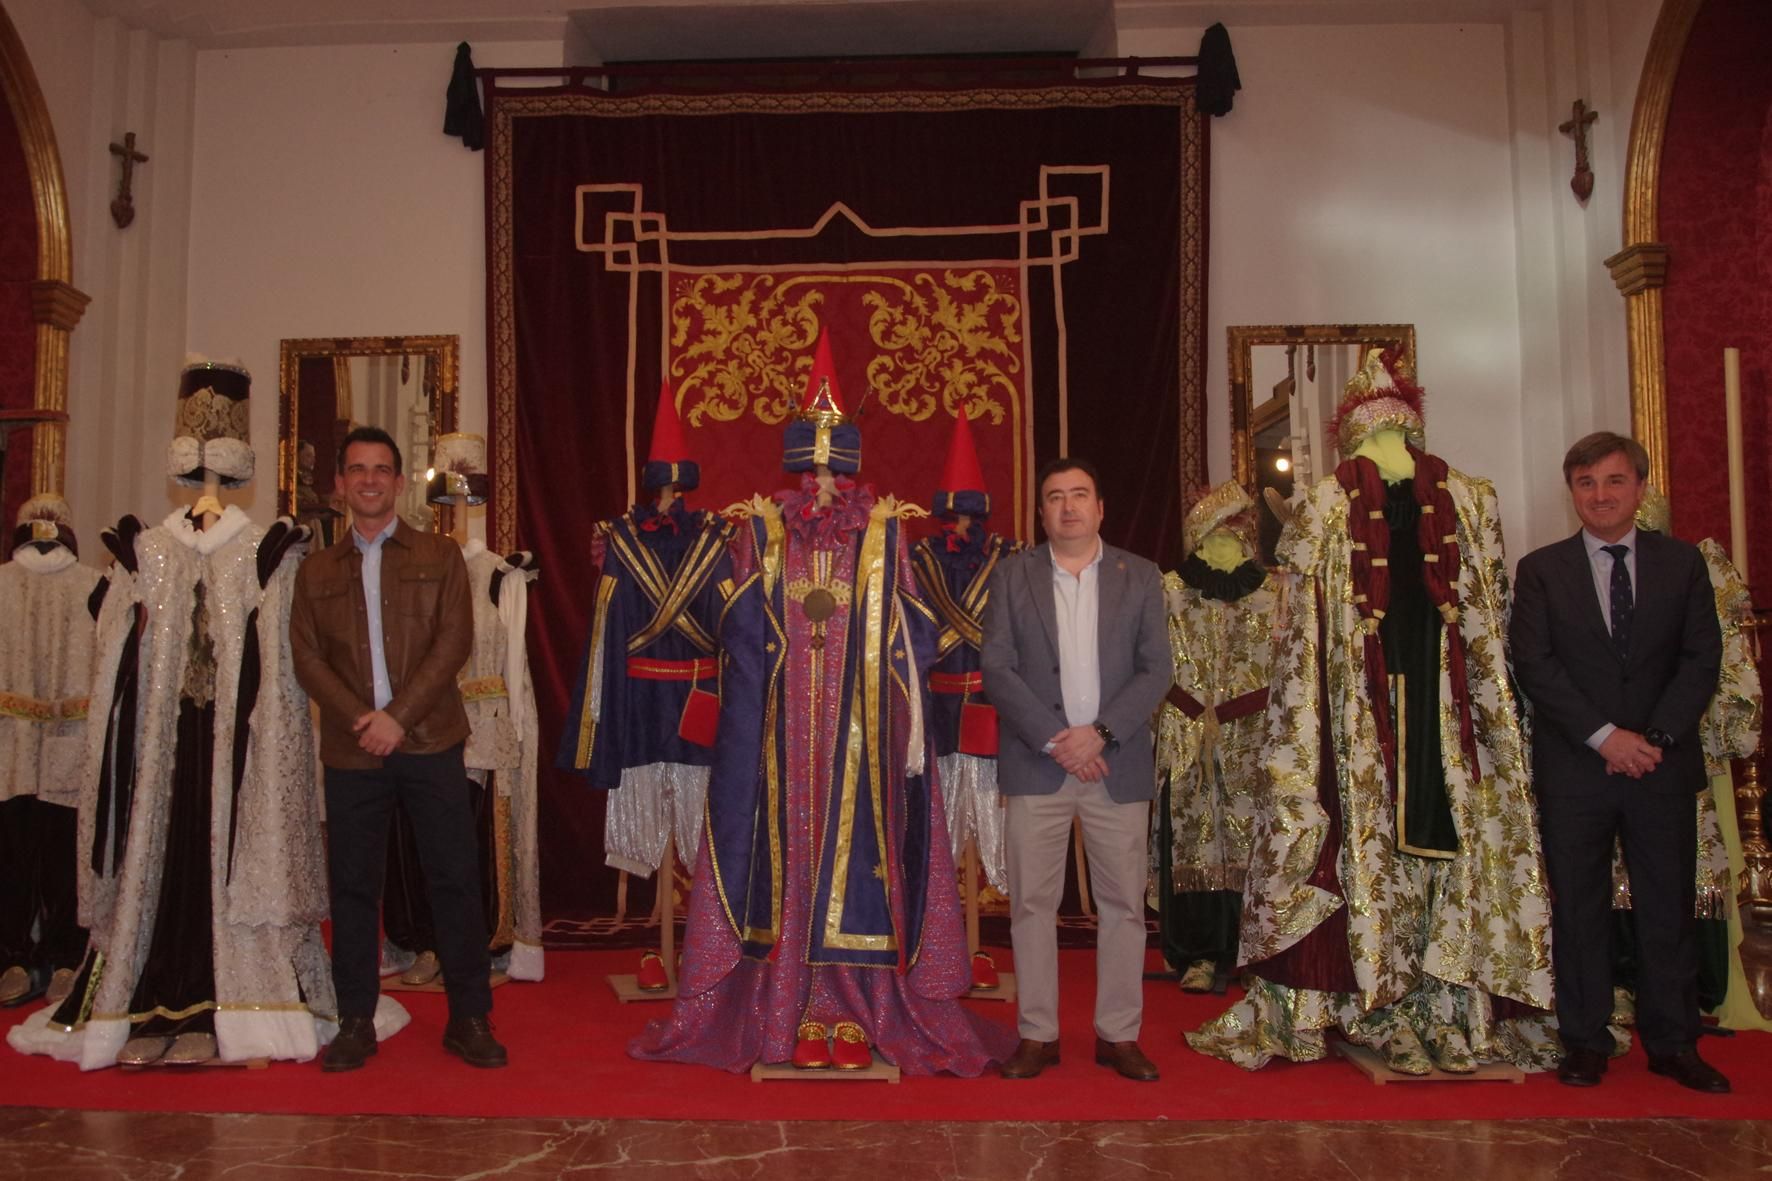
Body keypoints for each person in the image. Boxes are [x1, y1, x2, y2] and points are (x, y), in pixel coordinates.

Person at [630, 330, 1013, 1075]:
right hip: (781, 739)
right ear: (796, 463)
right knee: (782, 859)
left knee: (860, 862)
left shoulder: (885, 531)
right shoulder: (761, 531)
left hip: (861, 736)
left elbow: (915, 628)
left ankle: (848, 1008)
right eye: (812, 463)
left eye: (835, 465)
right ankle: (790, 1003)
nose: (824, 480)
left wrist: (896, 670)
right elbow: (734, 633)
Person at [1190, 347, 1554, 1075]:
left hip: (1413, 720)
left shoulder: (1352, 501)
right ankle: (1426, 1006)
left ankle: (1412, 1003)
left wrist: (1298, 737)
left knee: (1415, 843)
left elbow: (1303, 645)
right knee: (1414, 843)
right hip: (1409, 722)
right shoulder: (1432, 499)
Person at [1511, 430, 1727, 1092]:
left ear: (1639, 486)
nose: (1600, 495)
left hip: (1661, 764)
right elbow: (1535, 666)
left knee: (1667, 906)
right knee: (1579, 908)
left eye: (1612, 481)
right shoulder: (1541, 569)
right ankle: (1583, 1038)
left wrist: (1654, 737)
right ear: (1571, 491)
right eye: (1585, 483)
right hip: (1578, 765)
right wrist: (1606, 736)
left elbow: (1700, 658)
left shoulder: (1683, 564)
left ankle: (1672, 1041)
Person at [290, 425, 506, 1072]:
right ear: (339, 483)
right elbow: (306, 657)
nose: (369, 480)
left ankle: (469, 1016)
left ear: (400, 480)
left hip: (431, 741)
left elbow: (453, 642)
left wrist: (398, 718)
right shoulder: (315, 569)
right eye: (356, 469)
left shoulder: (438, 556)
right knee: (354, 887)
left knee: (454, 880)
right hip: (353, 749)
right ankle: (355, 1019)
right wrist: (364, 718)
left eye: (381, 469)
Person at [980, 456, 1170, 1081]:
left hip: (1116, 765)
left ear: (1100, 507)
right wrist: (1057, 740)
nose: (1068, 507)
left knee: (1123, 906)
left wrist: (1101, 736)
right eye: (1055, 497)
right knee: (1032, 905)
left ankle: (1119, 1035)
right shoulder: (1011, 577)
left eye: (1080, 495)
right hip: (1040, 765)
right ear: (1041, 512)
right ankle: (1038, 1034)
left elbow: (1155, 671)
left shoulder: (1140, 577)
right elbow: (999, 670)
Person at [560, 385, 731, 990]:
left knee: (701, 829)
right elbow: (607, 634)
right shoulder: (622, 541)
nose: (672, 496)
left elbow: (731, 630)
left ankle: (701, 946)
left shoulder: (717, 539)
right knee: (649, 825)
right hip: (639, 704)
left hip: (697, 702)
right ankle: (658, 949)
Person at [1150, 482, 1281, 994]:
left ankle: (1250, 950)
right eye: (1222, 525)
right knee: (1192, 836)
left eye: (1241, 525)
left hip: (1252, 731)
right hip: (1186, 729)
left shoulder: (1273, 593)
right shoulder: (1168, 590)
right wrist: (1183, 704)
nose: (1233, 534)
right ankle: (1197, 953)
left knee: (1253, 836)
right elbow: (1151, 659)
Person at [908, 408, 1019, 990]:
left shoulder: (1010, 561)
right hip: (938, 712)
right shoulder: (919, 561)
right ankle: (943, 945)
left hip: (990, 711)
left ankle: (978, 945)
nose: (962, 521)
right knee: (939, 834)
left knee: (989, 833)